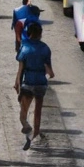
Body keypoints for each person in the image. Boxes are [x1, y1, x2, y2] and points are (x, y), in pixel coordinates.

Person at [15, 22, 55, 150]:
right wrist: (47, 75)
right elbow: (50, 71)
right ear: (40, 34)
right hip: (41, 83)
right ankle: (35, 135)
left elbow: (20, 69)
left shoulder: (24, 47)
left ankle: (27, 128)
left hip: (28, 82)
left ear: (29, 33)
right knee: (38, 111)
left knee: (23, 112)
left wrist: (17, 83)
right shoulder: (45, 48)